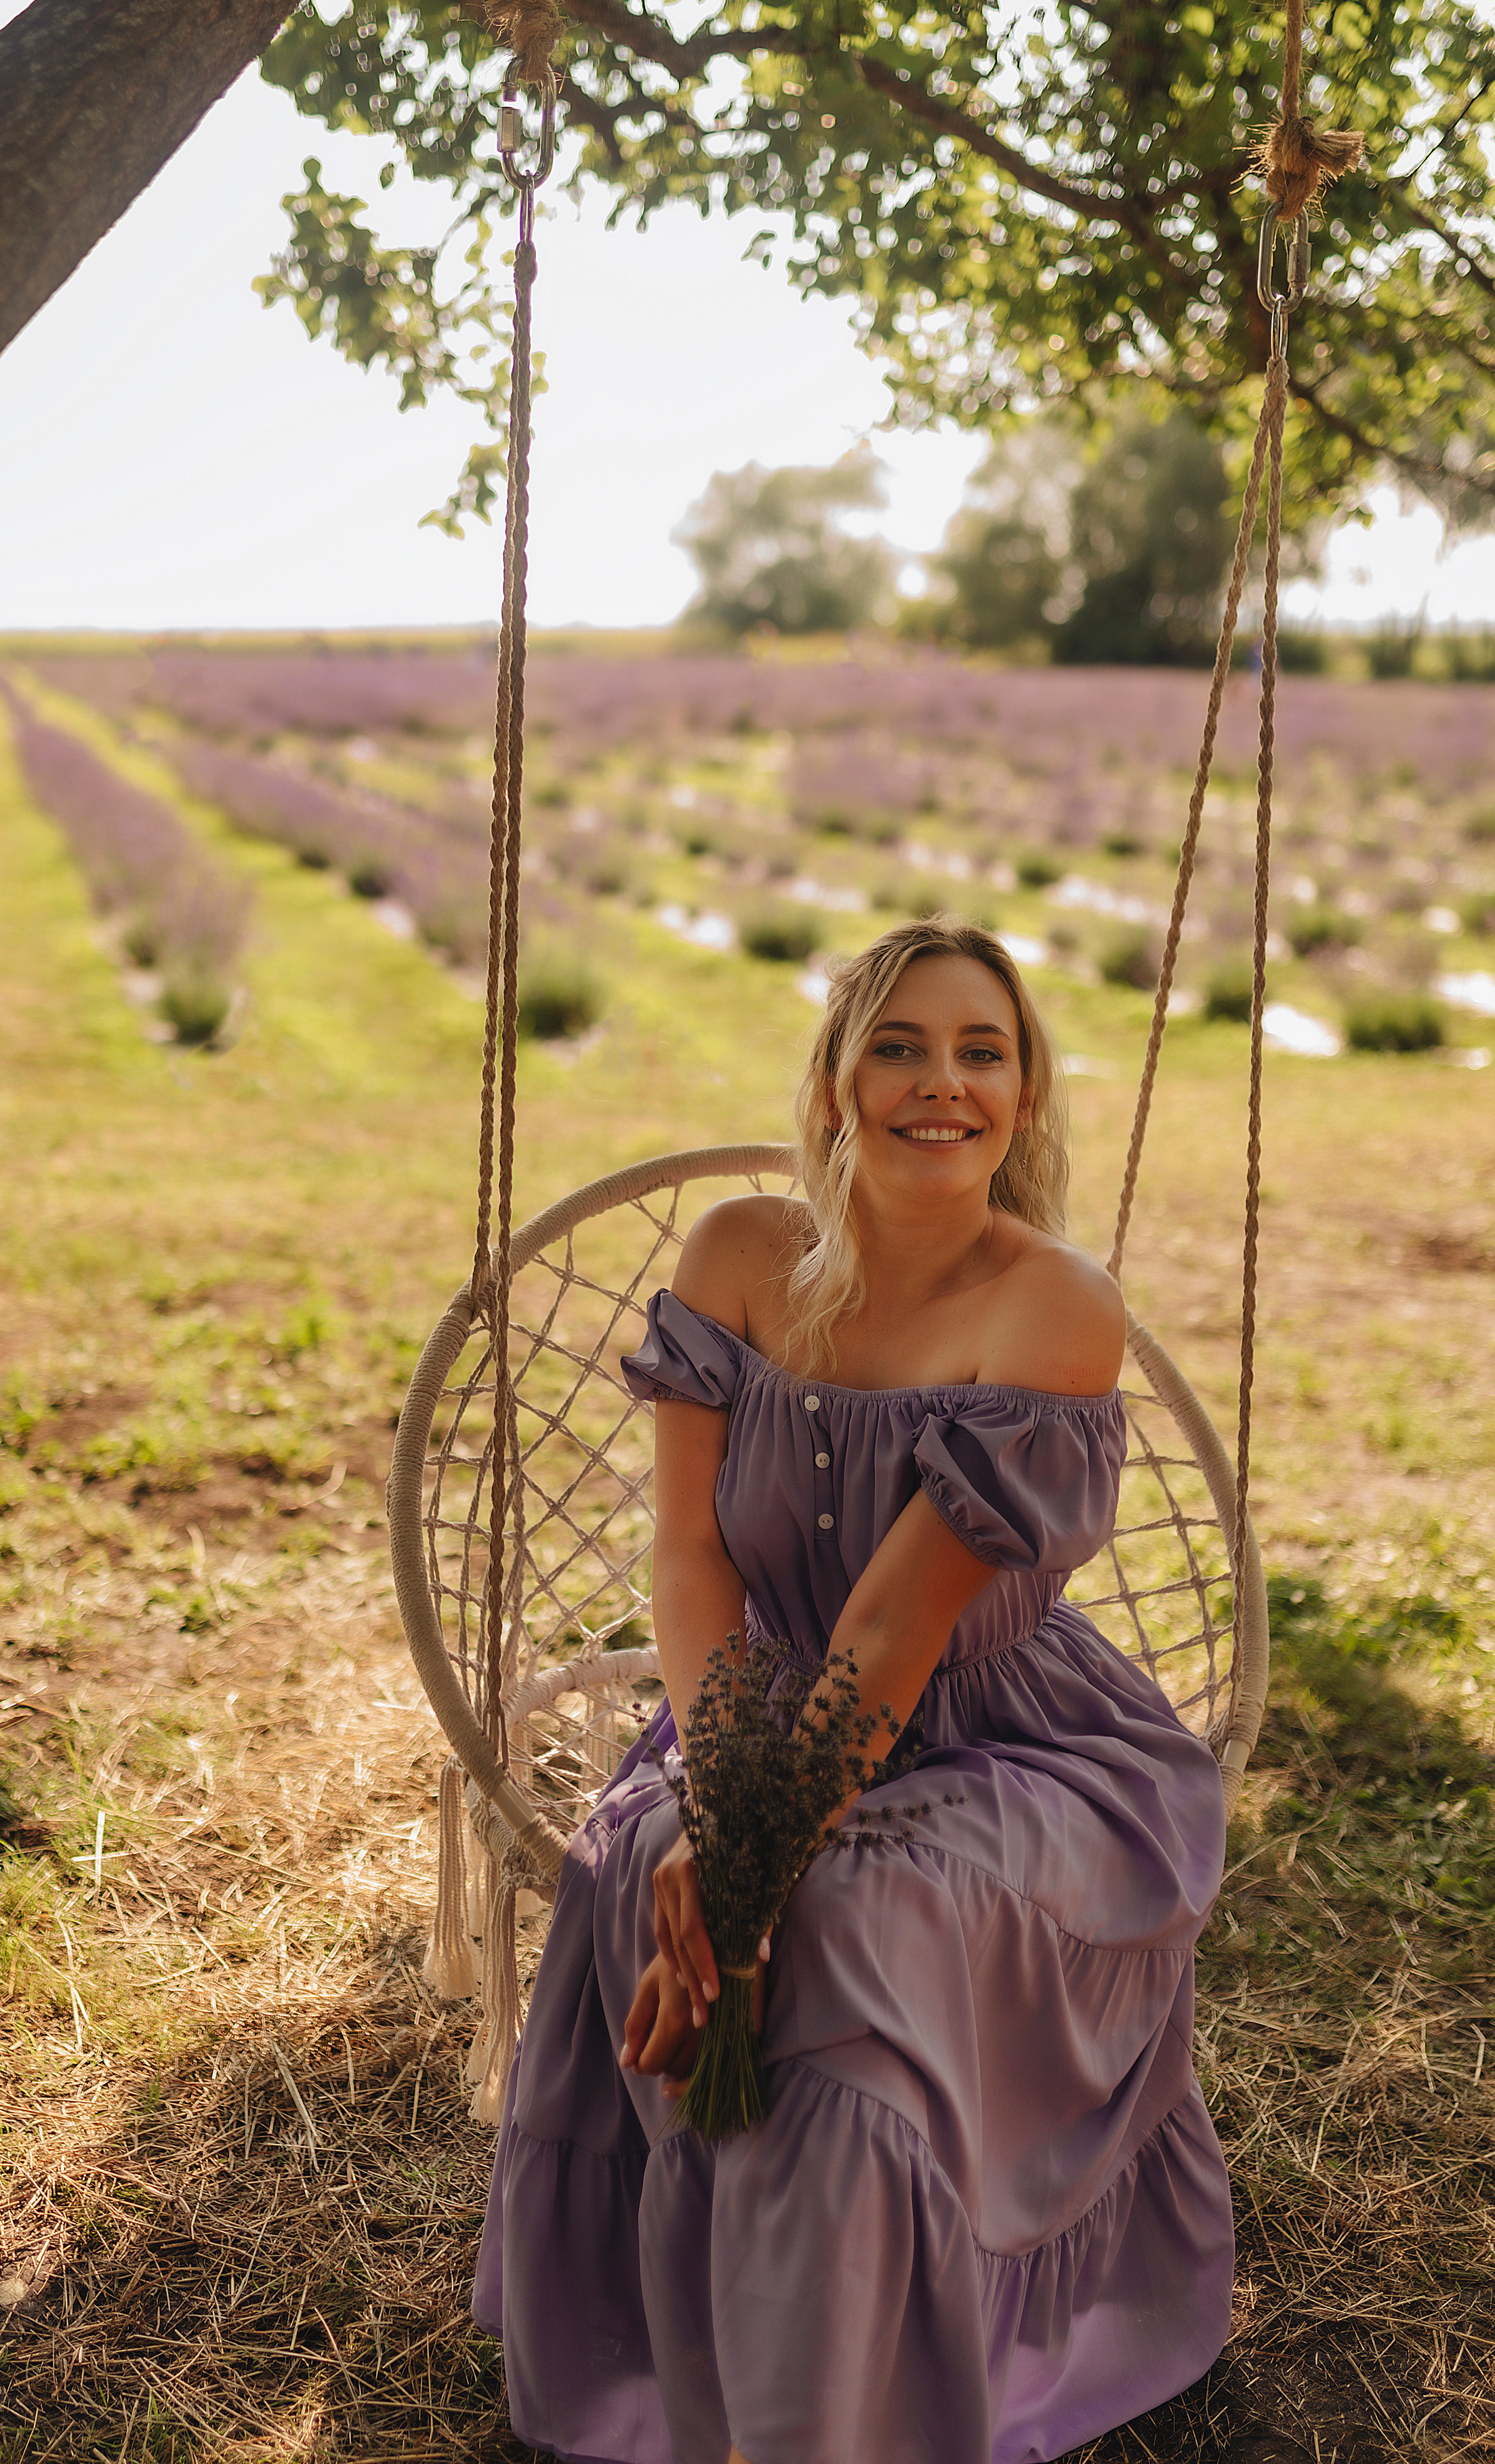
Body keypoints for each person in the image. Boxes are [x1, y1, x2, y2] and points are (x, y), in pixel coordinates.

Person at [474, 917, 1234, 2464]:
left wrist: (751, 1855)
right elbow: (687, 1559)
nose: (935, 1083)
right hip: (742, 1712)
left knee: (844, 1923)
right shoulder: (738, 1259)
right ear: (831, 1080)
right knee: (645, 1877)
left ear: (1023, 1094)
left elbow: (892, 1631)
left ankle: (818, 2418)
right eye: (895, 1045)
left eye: (979, 1051)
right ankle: (720, 2386)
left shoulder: (1052, 1304)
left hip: (1004, 1740)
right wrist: (705, 1791)